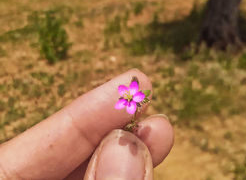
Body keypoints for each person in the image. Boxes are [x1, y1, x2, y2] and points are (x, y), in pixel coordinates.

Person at [0, 69, 174, 180]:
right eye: (127, 96)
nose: (127, 97)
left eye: (130, 96)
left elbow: (135, 97)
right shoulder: (128, 100)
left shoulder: (133, 99)